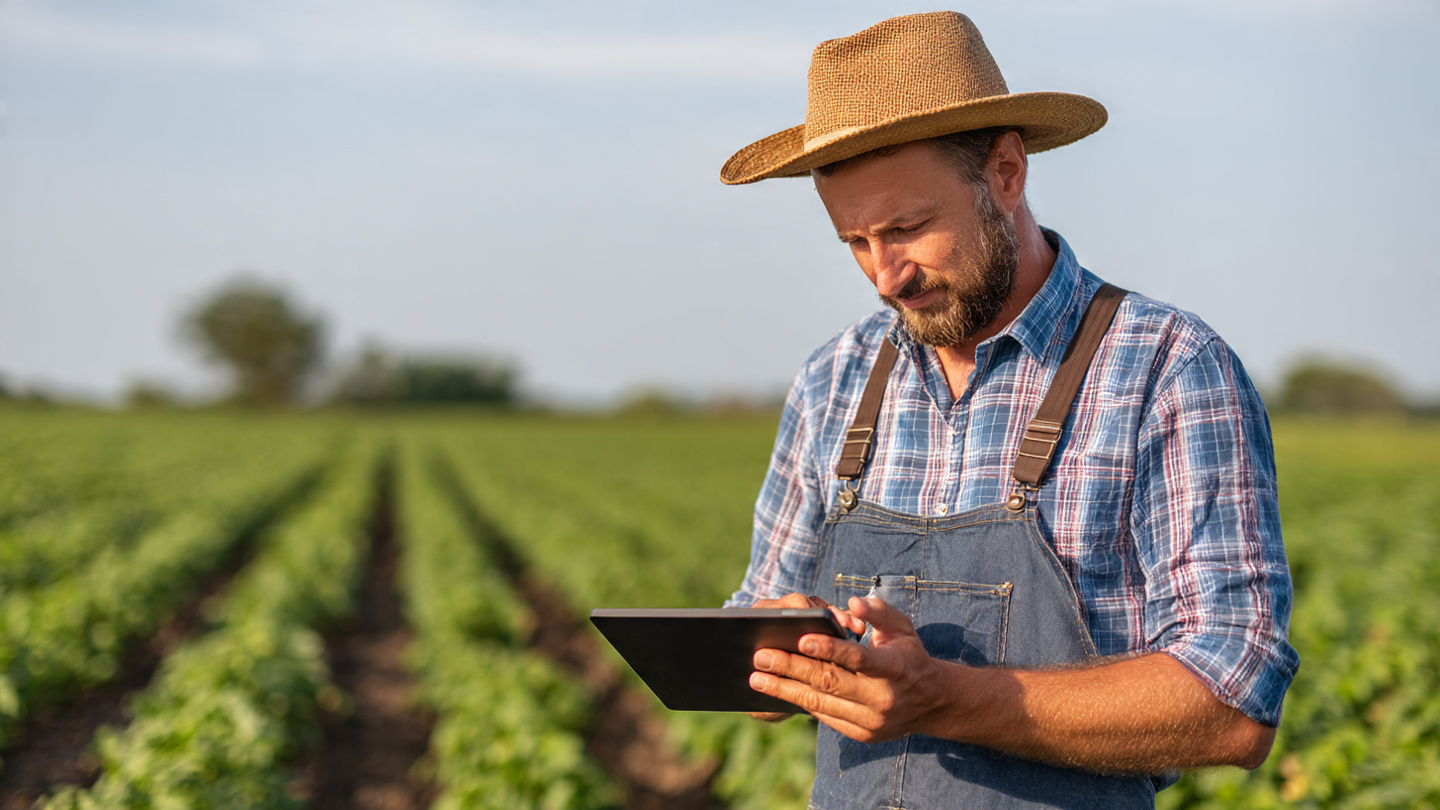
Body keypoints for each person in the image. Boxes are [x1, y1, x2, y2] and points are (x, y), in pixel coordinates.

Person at [719, 11, 1299, 809]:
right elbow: (755, 629)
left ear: (1007, 171)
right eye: (854, 241)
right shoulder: (835, 380)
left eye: (909, 228)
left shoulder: (1165, 368)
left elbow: (1234, 701)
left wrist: (945, 698)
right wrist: (786, 646)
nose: (885, 275)